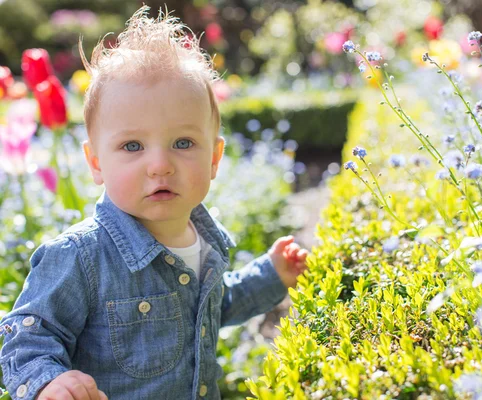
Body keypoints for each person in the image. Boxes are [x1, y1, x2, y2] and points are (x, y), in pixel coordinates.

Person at [0, 6, 309, 400]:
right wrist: (48, 382)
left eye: (183, 143)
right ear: (96, 163)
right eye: (132, 146)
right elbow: (29, 335)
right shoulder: (80, 258)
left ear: (214, 159)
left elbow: (211, 310)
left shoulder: (205, 239)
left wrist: (271, 275)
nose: (160, 165)